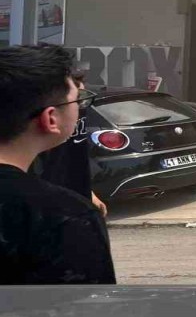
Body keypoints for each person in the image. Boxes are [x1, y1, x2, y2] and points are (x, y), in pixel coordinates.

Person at [0, 44, 115, 284]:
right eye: (77, 100)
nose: (81, 108)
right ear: (50, 118)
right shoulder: (64, 217)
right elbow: (81, 315)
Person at [33, 70, 108, 218]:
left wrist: (90, 194)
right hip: (52, 208)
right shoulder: (37, 132)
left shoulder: (79, 112)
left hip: (78, 201)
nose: (83, 104)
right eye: (78, 98)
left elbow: (76, 159)